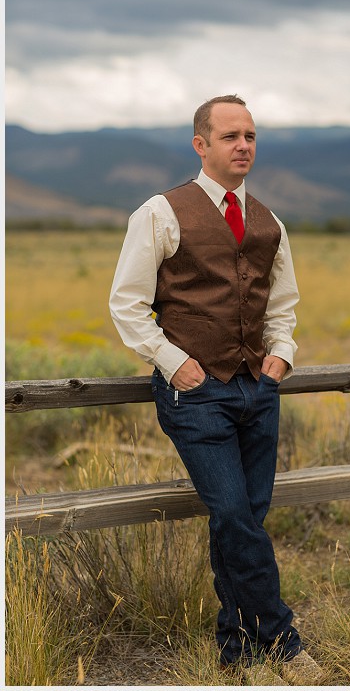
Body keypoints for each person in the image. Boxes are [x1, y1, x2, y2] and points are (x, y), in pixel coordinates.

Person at [109, 94, 322, 685]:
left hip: (258, 390)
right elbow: (126, 303)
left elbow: (282, 304)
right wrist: (173, 362)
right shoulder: (160, 212)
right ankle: (283, 642)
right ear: (201, 145)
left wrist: (281, 358)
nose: (243, 146)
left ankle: (235, 647)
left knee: (244, 519)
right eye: (230, 136)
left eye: (250, 136)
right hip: (195, 394)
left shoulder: (270, 222)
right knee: (232, 512)